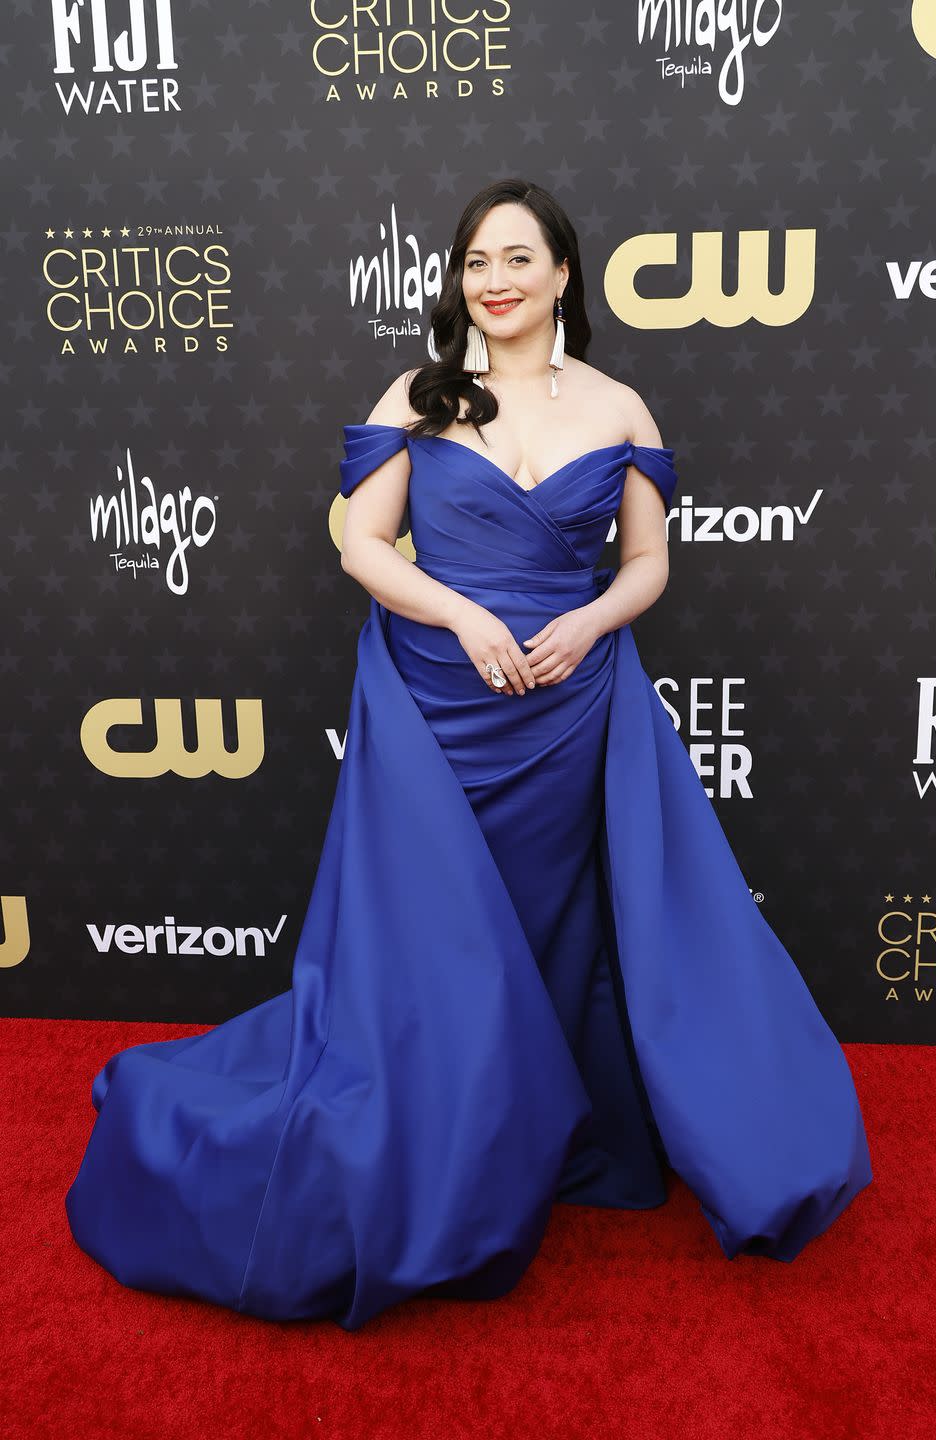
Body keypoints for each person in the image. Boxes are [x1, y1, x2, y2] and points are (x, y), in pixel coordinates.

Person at [65, 177, 872, 1332]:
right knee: (437, 943)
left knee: (555, 928)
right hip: (440, 706)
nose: (491, 281)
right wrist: (463, 615)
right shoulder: (422, 394)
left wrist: (592, 620)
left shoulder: (620, 408)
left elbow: (645, 565)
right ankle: (440, 1143)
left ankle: (544, 1126)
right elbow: (363, 545)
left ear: (562, 274)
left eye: (515, 259)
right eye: (473, 262)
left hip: (570, 713)